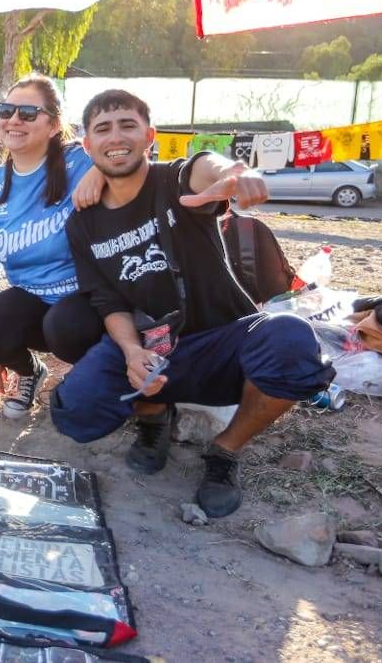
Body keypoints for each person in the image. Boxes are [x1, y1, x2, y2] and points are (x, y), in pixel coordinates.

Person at [50, 89, 334, 518]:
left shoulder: (173, 181)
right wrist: (131, 353)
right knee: (75, 412)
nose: (116, 137)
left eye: (127, 125)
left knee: (292, 338)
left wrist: (233, 173)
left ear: (150, 136)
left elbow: (203, 167)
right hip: (154, 348)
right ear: (87, 145)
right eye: (103, 129)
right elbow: (107, 301)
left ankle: (225, 450)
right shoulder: (82, 222)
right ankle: (153, 417)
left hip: (222, 342)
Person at [0, 74, 106, 419]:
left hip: (87, 301)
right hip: (33, 300)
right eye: (6, 110)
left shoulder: (81, 160)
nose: (14, 120)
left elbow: (130, 152)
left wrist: (102, 169)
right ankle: (30, 371)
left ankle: (101, 374)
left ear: (54, 125)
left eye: (28, 113)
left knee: (65, 327)